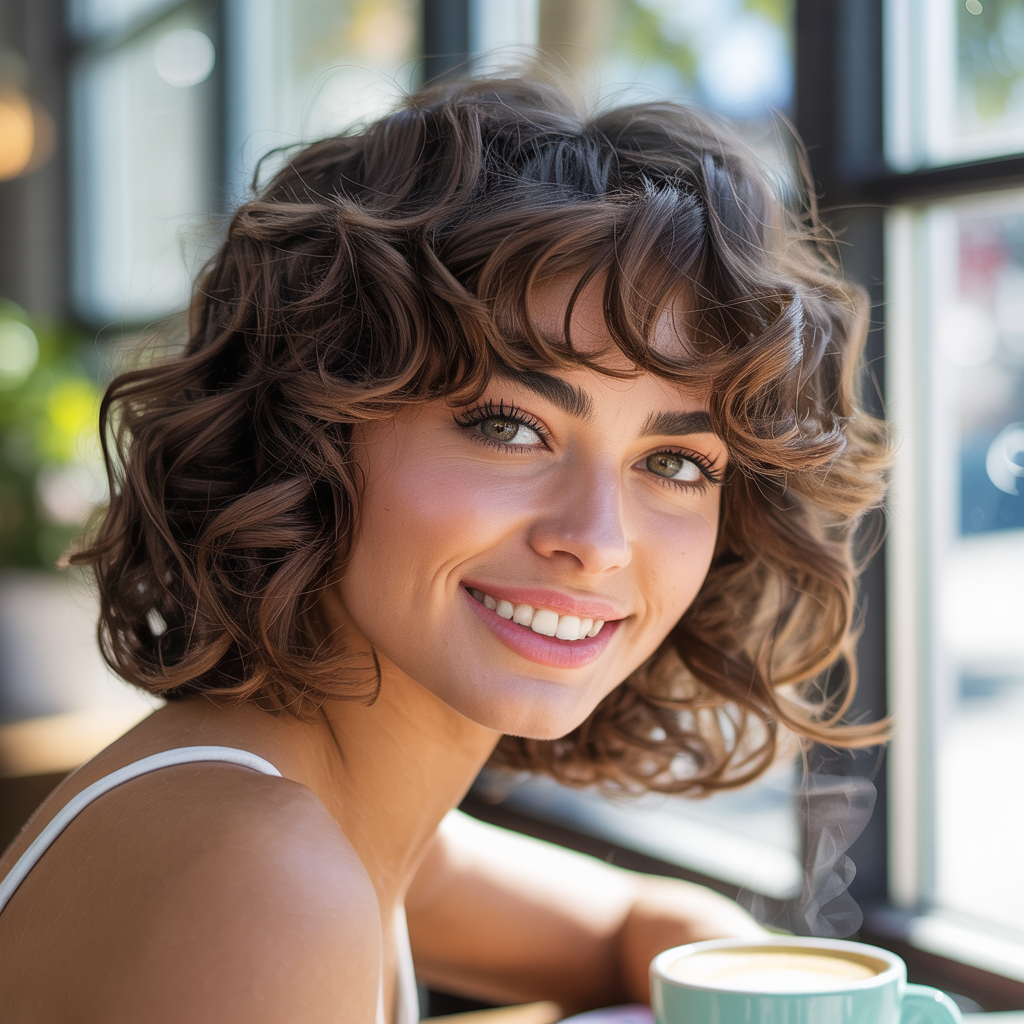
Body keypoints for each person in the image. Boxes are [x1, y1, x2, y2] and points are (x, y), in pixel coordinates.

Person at [0, 74, 888, 1023]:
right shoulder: (263, 877)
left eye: (673, 462)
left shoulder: (345, 818)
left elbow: (638, 928)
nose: (595, 541)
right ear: (314, 436)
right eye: (509, 427)